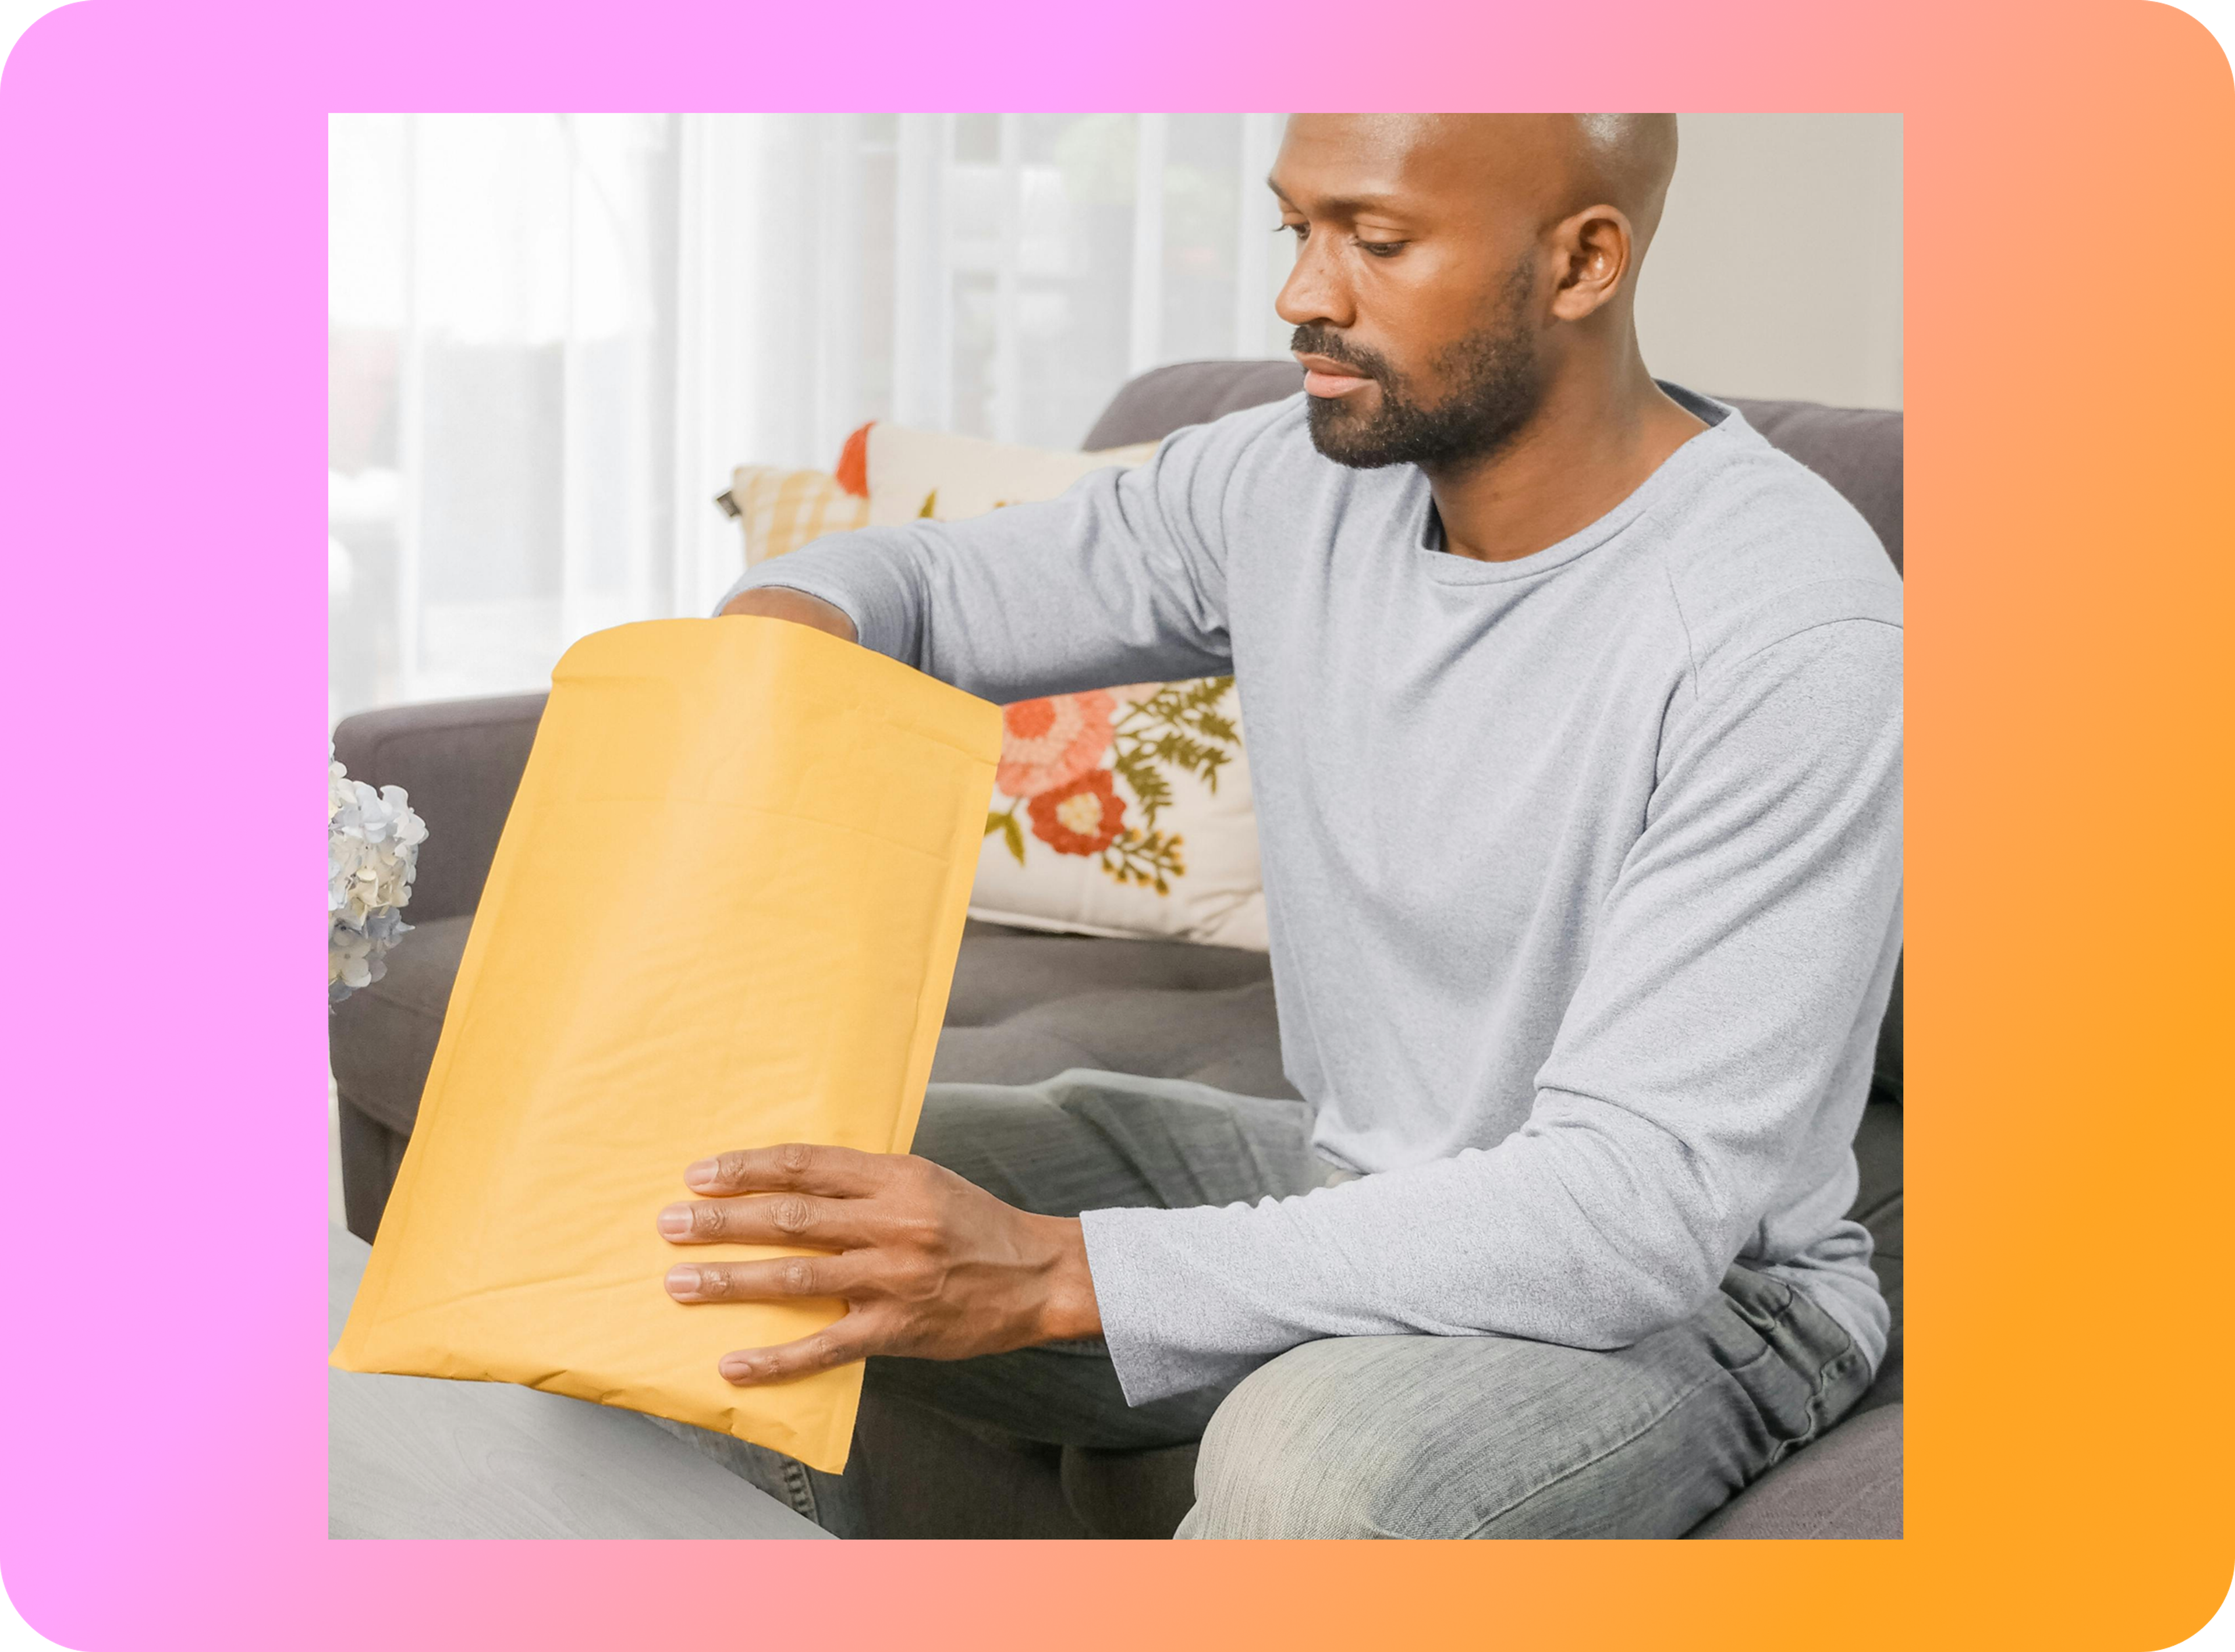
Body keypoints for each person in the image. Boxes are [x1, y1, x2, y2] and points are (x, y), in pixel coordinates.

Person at [671, 112, 1903, 1539]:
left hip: (1702, 1292)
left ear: (1583, 263)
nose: (1304, 296)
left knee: (1302, 1469)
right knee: (740, 1217)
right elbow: (931, 588)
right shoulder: (1289, 483)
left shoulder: (1789, 631)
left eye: (1375, 242)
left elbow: (1630, 1214)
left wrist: (1055, 1270)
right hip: (1354, 1176)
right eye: (1297, 229)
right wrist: (788, 629)